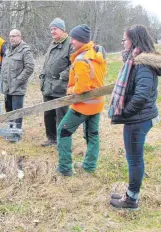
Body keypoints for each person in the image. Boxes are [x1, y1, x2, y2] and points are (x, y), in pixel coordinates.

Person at [108, 25, 161, 210]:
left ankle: (131, 200)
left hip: (138, 119)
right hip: (139, 118)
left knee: (134, 159)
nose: (123, 43)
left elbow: (141, 96)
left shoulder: (142, 64)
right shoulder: (136, 61)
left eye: (125, 40)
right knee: (135, 158)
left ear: (134, 41)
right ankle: (130, 194)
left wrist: (124, 112)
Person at [56, 24, 107, 176]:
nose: (71, 41)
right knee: (93, 134)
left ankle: (65, 168)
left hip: (83, 105)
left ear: (81, 40)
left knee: (63, 131)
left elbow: (82, 88)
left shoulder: (81, 59)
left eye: (73, 39)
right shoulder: (97, 53)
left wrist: (69, 90)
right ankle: (89, 166)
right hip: (97, 104)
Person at [39, 18, 73, 147]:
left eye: (55, 29)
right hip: (48, 86)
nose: (52, 31)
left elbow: (74, 65)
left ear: (63, 29)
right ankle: (51, 138)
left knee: (61, 115)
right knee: (48, 113)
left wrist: (61, 76)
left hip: (61, 86)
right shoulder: (53, 43)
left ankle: (62, 142)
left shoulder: (70, 44)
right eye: (51, 29)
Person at [0, 29, 35, 142]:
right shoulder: (8, 50)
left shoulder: (25, 50)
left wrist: (18, 80)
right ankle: (10, 131)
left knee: (17, 111)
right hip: (7, 87)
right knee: (9, 110)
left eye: (14, 36)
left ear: (20, 37)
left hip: (18, 87)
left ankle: (16, 134)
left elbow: (30, 67)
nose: (12, 38)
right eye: (10, 36)